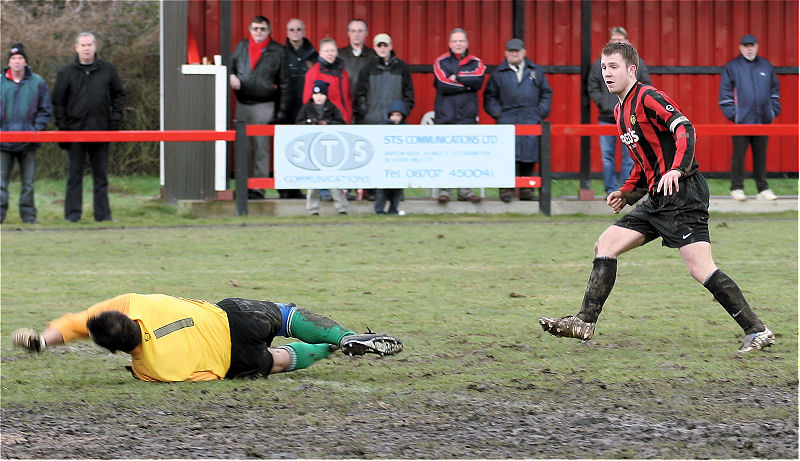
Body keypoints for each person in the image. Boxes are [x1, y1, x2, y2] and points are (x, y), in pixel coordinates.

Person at [539, 41, 775, 354]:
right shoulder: (621, 109)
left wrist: (677, 169)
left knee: (700, 268)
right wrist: (626, 192)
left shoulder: (649, 97)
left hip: (683, 194)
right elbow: (643, 161)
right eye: (604, 67)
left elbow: (685, 129)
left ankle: (758, 331)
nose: (607, 73)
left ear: (631, 70)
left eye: (614, 67)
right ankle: (585, 321)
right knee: (606, 244)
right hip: (657, 198)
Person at [10, 293, 403, 382]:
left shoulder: (150, 369)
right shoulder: (136, 301)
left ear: (114, 349)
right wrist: (45, 337)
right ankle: (344, 336)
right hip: (231, 318)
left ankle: (329, 353)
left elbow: (204, 377)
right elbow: (81, 321)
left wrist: (44, 341)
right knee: (285, 315)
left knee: (280, 359)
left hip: (234, 362)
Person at [52, 32, 125, 223]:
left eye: (89, 45)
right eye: (82, 45)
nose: (86, 48)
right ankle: (72, 216)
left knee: (101, 177)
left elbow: (119, 95)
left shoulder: (108, 69)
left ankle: (103, 215)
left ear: (95, 47)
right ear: (76, 48)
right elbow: (58, 102)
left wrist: (115, 121)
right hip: (75, 132)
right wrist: (63, 129)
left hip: (101, 130)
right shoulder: (66, 72)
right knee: (74, 177)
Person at [484, 38, 552, 203]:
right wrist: (499, 113)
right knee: (506, 155)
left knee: (529, 155)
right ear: (506, 53)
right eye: (511, 51)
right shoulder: (498, 74)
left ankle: (527, 189)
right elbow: (489, 96)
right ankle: (506, 190)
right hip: (507, 118)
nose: (514, 54)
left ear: (524, 52)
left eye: (517, 51)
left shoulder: (535, 71)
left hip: (530, 118)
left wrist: (539, 112)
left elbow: (546, 93)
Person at [230, 15, 290, 200]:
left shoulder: (277, 51)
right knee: (243, 148)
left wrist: (280, 112)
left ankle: (258, 188)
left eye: (262, 29)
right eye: (255, 28)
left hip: (264, 106)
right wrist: (232, 76)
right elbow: (230, 66)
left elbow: (285, 84)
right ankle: (243, 187)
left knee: (261, 149)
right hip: (242, 104)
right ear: (250, 30)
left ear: (269, 31)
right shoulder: (242, 47)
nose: (258, 32)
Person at [586, 27, 651, 195]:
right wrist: (603, 104)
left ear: (627, 42)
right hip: (606, 117)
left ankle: (625, 191)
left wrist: (634, 107)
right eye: (614, 41)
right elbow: (592, 86)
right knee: (607, 157)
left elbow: (645, 86)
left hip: (629, 117)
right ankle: (610, 191)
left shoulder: (637, 64)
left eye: (620, 40)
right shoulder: (600, 64)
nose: (617, 43)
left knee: (630, 156)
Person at [718, 34, 781, 202]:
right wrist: (734, 115)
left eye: (752, 45)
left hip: (763, 121)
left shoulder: (766, 66)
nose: (749, 48)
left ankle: (763, 189)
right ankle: (736, 188)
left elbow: (774, 90)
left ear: (757, 46)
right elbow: (724, 93)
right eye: (746, 46)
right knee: (738, 156)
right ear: (740, 47)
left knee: (761, 155)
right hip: (741, 122)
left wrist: (772, 112)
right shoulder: (732, 67)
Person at [354, 32, 414, 202]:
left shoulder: (402, 67)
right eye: (379, 45)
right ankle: (373, 192)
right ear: (374, 47)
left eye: (385, 45)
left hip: (395, 123)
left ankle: (396, 193)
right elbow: (360, 93)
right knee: (373, 159)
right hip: (373, 120)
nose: (382, 48)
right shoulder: (367, 67)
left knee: (396, 160)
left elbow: (409, 94)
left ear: (391, 46)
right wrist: (366, 112)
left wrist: (402, 114)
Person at [1, 43, 52, 225]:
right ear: (9, 62)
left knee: (28, 184)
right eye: (13, 59)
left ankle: (29, 217)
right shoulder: (0, 82)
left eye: (20, 58)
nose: (17, 62)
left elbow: (45, 109)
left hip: (28, 141)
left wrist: (36, 129)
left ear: (25, 62)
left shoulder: (38, 82)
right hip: (3, 142)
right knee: (1, 184)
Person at [433, 28, 486, 204]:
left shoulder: (476, 62)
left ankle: (466, 191)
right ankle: (445, 190)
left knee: (467, 156)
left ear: (467, 43)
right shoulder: (441, 61)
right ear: (449, 44)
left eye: (461, 41)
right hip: (446, 116)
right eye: (455, 41)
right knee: (445, 156)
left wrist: (457, 77)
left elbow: (478, 80)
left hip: (467, 117)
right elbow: (442, 84)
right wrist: (466, 85)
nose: (458, 44)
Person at [296, 80, 348, 216]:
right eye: (316, 94)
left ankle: (341, 207)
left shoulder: (332, 109)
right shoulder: (306, 109)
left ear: (326, 96)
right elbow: (298, 124)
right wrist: (310, 123)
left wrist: (328, 124)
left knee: (335, 180)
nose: (318, 97)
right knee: (313, 181)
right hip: (311, 149)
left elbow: (341, 124)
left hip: (331, 149)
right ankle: (313, 209)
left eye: (321, 94)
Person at [280, 18, 317, 200]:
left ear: (304, 32)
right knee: (286, 150)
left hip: (305, 110)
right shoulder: (280, 53)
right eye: (291, 29)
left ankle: (303, 189)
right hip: (285, 108)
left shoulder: (313, 55)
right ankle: (286, 190)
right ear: (287, 33)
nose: (295, 32)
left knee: (305, 150)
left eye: (298, 29)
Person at [304, 38, 352, 124]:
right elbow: (307, 100)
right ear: (320, 53)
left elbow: (347, 97)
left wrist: (348, 115)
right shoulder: (313, 73)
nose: (330, 53)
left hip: (343, 120)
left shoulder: (343, 73)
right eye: (326, 51)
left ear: (336, 52)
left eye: (332, 50)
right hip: (325, 122)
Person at [374, 100, 409, 215]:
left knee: (397, 188)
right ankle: (379, 209)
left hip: (400, 163)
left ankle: (394, 209)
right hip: (385, 163)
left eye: (398, 115)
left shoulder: (407, 128)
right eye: (393, 115)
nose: (395, 118)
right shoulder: (383, 126)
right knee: (382, 188)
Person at [338, 19, 376, 103]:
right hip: (345, 104)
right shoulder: (339, 55)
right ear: (348, 33)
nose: (356, 34)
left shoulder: (374, 56)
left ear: (366, 33)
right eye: (353, 31)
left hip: (367, 104)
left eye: (360, 31)